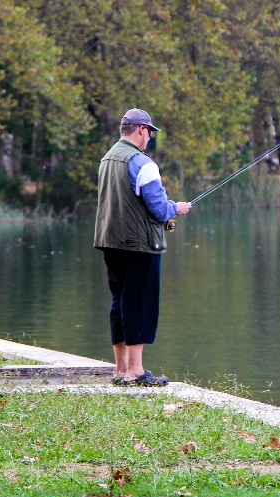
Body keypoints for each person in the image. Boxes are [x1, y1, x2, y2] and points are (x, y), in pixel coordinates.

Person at [93, 108, 192, 386]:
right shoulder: (143, 163)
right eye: (149, 133)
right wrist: (178, 207)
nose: (149, 139)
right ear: (141, 130)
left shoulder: (107, 158)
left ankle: (121, 370)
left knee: (120, 302)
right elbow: (160, 210)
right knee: (139, 303)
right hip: (140, 244)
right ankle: (136, 371)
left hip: (110, 241)